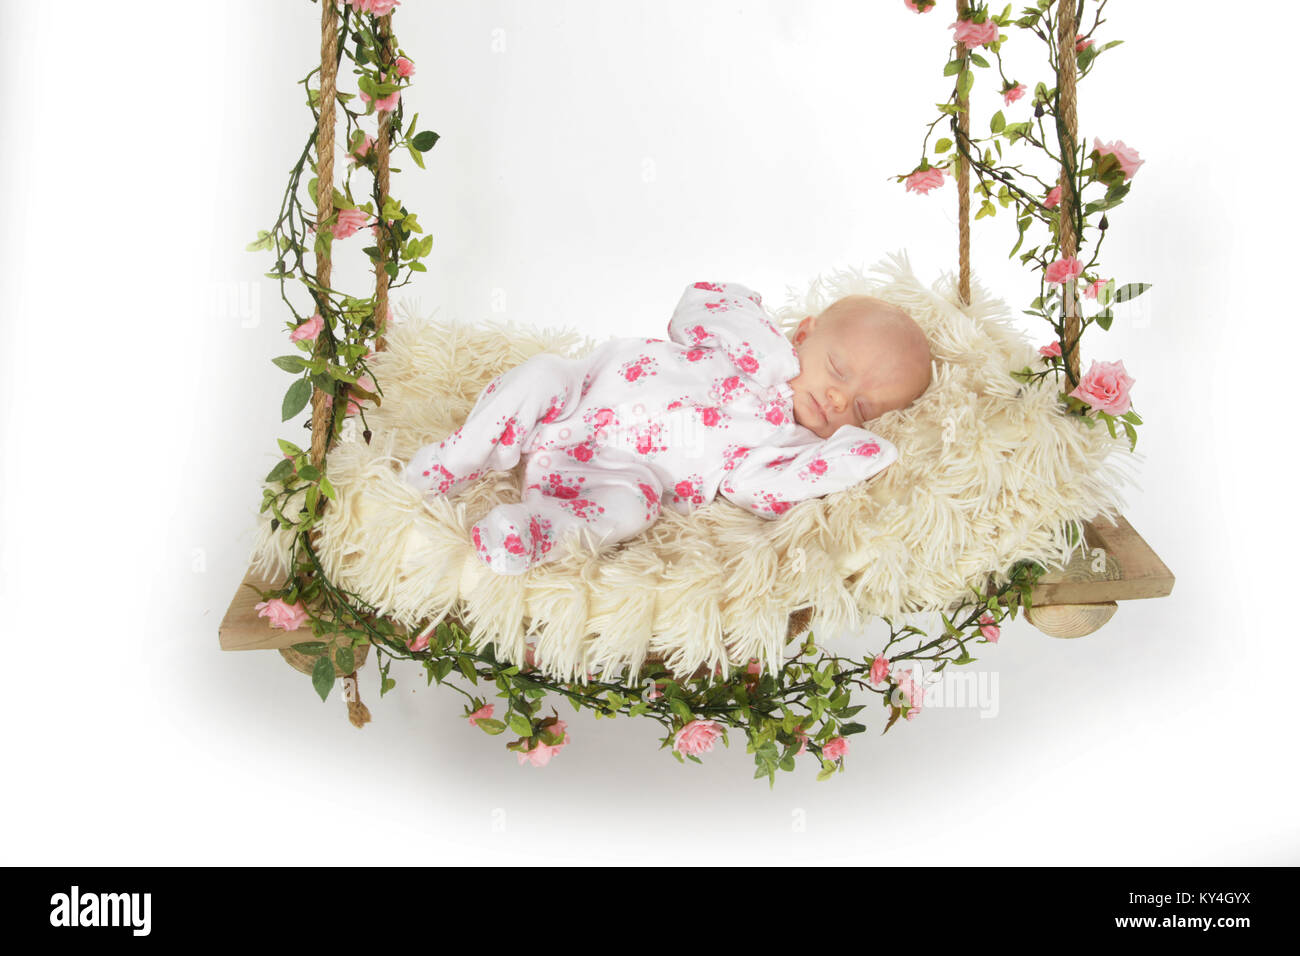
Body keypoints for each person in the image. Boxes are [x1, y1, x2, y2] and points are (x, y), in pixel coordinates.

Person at [401, 280, 932, 574]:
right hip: (574, 397)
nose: (839, 396)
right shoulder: (753, 342)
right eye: (838, 370)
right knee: (540, 374)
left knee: (634, 509)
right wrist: (767, 352)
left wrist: (860, 450)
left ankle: (538, 529)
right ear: (804, 333)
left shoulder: (786, 443)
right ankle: (457, 459)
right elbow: (695, 304)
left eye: (862, 408)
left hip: (613, 474)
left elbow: (756, 489)